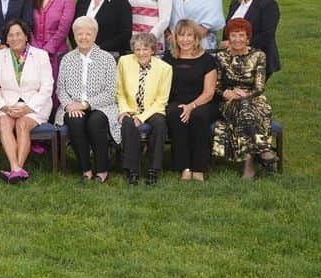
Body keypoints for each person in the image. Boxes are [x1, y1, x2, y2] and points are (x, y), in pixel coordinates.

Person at [0, 19, 53, 184]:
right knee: (4, 123)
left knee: (22, 124)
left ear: (26, 36)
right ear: (6, 39)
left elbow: (47, 87)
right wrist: (4, 107)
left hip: (34, 105)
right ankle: (16, 169)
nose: (15, 38)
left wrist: (28, 109)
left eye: (18, 34)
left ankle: (16, 169)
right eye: (10, 35)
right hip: (7, 104)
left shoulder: (40, 55)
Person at [56, 16, 120, 182]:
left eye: (88, 34)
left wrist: (85, 105)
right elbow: (61, 89)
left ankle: (102, 170)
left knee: (95, 121)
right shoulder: (67, 59)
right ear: (74, 35)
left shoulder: (107, 59)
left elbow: (110, 92)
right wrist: (70, 105)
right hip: (73, 106)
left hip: (101, 106)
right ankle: (86, 169)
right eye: (79, 34)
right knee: (74, 120)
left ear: (95, 35)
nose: (83, 37)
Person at [212, 18, 277, 178]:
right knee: (243, 109)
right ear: (228, 37)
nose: (237, 39)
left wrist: (246, 95)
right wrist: (226, 93)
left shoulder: (258, 55)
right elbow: (216, 85)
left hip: (254, 99)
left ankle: (249, 166)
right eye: (233, 35)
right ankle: (264, 150)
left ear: (248, 37)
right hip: (229, 102)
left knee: (246, 108)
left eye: (241, 35)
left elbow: (260, 87)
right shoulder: (221, 57)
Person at [164, 19, 218, 181]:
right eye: (181, 35)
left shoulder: (207, 60)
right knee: (176, 115)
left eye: (189, 35)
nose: (185, 39)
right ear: (175, 38)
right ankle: (185, 167)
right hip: (176, 102)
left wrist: (192, 106)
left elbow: (209, 92)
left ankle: (199, 168)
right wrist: (183, 107)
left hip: (203, 101)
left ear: (196, 38)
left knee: (198, 117)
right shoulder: (169, 58)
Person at [116, 32, 172, 185]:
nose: (141, 53)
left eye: (145, 49)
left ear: (153, 50)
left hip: (152, 109)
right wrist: (124, 110)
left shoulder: (165, 68)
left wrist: (141, 117)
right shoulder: (124, 62)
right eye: (138, 49)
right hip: (130, 107)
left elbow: (161, 100)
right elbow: (120, 91)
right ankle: (132, 170)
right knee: (127, 123)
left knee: (160, 124)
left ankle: (154, 169)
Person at [224, 0, 280, 78]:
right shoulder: (235, 4)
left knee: (244, 94)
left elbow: (267, 35)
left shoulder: (268, 4)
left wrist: (238, 45)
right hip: (233, 59)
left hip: (258, 60)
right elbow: (228, 29)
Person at [31, 0, 74, 85]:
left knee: (55, 88)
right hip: (33, 52)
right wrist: (35, 49)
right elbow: (27, 25)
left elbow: (63, 29)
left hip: (56, 53)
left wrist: (47, 50)